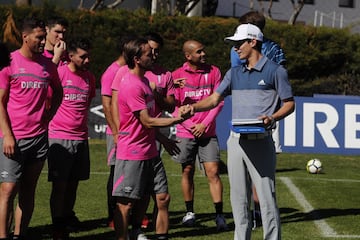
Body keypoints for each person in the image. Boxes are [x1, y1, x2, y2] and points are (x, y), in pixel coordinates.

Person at [182, 23, 295, 240]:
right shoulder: (234, 72)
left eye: (238, 43)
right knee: (238, 199)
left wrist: (273, 117)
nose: (235, 48)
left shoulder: (276, 71)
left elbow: (289, 103)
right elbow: (215, 98)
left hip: (261, 141)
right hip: (236, 142)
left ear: (253, 42)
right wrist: (193, 107)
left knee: (266, 198)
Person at [111, 38, 186, 240]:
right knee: (125, 204)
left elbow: (148, 124)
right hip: (132, 153)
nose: (153, 56)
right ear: (136, 59)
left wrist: (163, 140)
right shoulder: (132, 85)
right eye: (148, 53)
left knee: (163, 198)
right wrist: (177, 119)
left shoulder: (144, 82)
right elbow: (147, 121)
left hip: (150, 151)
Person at [0, 17, 63, 240]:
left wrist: (49, 115)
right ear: (25, 37)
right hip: (13, 139)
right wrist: (7, 135)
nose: (43, 41)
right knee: (8, 191)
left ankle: (20, 235)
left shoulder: (48, 65)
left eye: (43, 37)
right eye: (39, 37)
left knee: (28, 190)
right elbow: (0, 101)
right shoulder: (9, 62)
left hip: (38, 139)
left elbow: (59, 92)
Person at [230, 11, 287, 227]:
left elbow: (241, 75)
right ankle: (258, 215)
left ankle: (256, 215)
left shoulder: (241, 51)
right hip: (264, 113)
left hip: (256, 114)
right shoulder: (276, 49)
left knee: (253, 172)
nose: (236, 46)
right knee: (263, 173)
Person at [172, 40, 228, 231]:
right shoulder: (176, 75)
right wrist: (190, 125)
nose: (204, 54)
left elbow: (218, 102)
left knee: (213, 172)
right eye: (199, 52)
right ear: (188, 56)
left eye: (203, 50)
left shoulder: (214, 71)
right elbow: (174, 107)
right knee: (187, 171)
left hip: (207, 130)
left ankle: (219, 215)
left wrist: (204, 124)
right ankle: (189, 212)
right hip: (185, 131)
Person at [47, 37, 96, 240]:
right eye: (83, 57)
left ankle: (67, 216)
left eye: (88, 57)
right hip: (59, 137)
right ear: (71, 56)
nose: (87, 61)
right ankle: (57, 224)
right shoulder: (60, 72)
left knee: (74, 183)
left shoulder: (90, 78)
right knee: (60, 185)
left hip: (81, 137)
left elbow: (86, 105)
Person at [101, 35, 136, 230]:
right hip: (118, 134)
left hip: (131, 134)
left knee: (129, 173)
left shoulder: (131, 70)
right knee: (116, 173)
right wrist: (116, 133)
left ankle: (128, 214)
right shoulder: (112, 72)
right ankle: (113, 215)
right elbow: (106, 106)